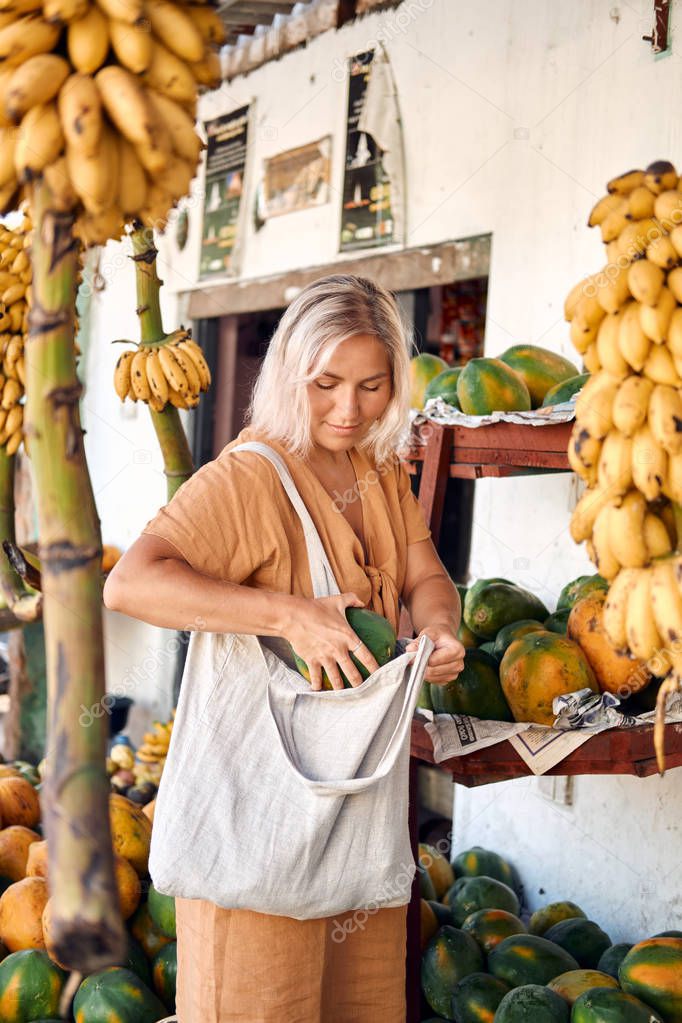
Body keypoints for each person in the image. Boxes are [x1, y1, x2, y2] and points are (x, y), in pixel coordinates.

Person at [103, 273, 465, 1023]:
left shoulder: (379, 467)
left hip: (355, 827)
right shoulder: (250, 477)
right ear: (289, 372)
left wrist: (439, 627)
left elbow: (429, 574)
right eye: (326, 382)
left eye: (372, 385)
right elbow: (132, 583)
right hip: (258, 827)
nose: (349, 409)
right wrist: (288, 615)